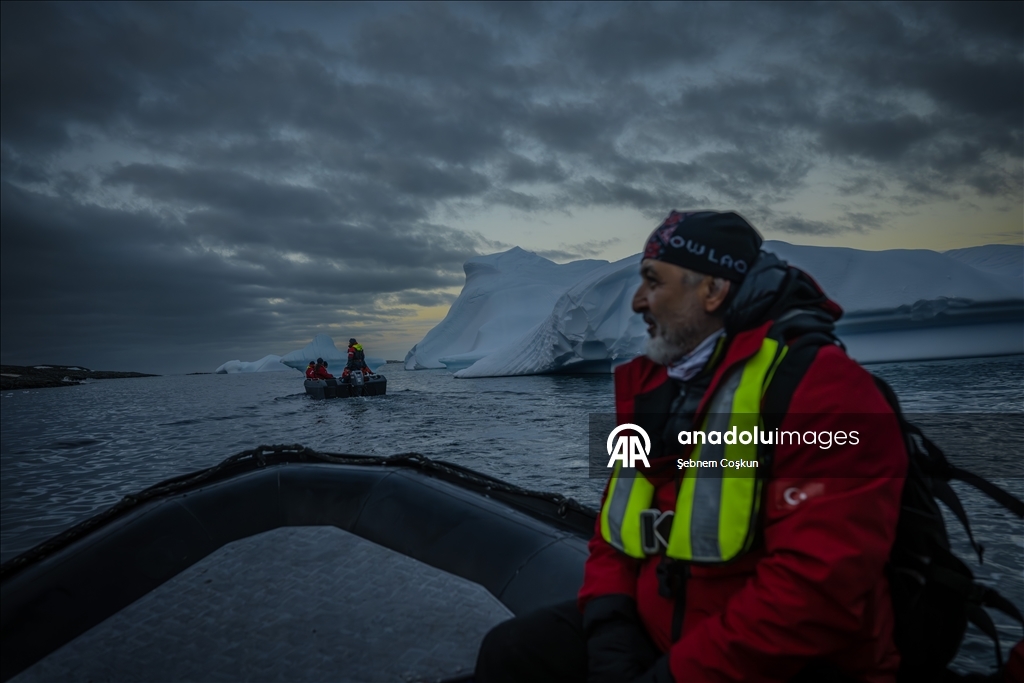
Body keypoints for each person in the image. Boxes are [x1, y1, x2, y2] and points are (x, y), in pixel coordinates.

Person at [476, 211, 908, 682]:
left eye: (653, 282)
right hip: (663, 629)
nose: (638, 301)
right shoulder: (654, 389)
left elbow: (816, 591)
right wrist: (611, 636)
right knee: (514, 652)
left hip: (781, 663)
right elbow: (614, 531)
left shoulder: (824, 391)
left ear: (713, 290)